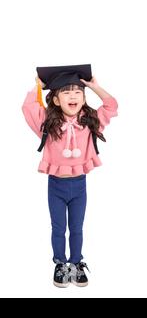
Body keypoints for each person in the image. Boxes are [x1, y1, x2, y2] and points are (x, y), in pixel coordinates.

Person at [22, 64, 118, 287]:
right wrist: (38, 85)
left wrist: (95, 87)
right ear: (56, 100)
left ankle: (76, 263)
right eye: (66, 92)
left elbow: (111, 105)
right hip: (55, 185)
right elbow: (28, 106)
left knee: (77, 227)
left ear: (84, 98)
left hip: (80, 185)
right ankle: (60, 263)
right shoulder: (47, 124)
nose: (73, 95)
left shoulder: (91, 123)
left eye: (78, 92)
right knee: (58, 228)